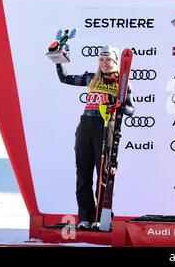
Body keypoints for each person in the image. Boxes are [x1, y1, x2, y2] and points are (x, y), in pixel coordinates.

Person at [56, 45, 134, 229]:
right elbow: (64, 78)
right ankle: (85, 216)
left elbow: (131, 108)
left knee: (103, 174)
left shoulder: (121, 84)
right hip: (85, 125)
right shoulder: (92, 78)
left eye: (108, 60)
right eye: (101, 59)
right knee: (83, 173)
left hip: (105, 126)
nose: (104, 63)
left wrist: (118, 105)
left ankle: (101, 216)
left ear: (116, 63)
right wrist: (59, 60)